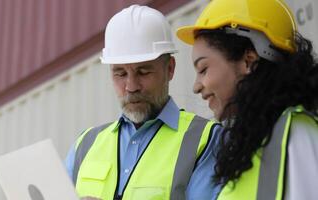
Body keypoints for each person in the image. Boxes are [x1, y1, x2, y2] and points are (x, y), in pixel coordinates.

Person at [65, 4, 223, 200]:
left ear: (170, 68)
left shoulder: (206, 141)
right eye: (120, 73)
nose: (131, 86)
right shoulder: (85, 145)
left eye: (144, 71)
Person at [176, 0, 318, 199]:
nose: (196, 86)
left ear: (248, 61)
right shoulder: (250, 144)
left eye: (203, 69)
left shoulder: (297, 132)